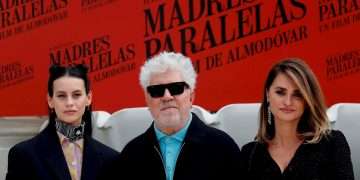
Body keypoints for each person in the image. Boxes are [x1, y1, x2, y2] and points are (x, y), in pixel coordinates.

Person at [106, 51, 241, 180]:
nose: (167, 97)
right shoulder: (131, 155)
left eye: (176, 88)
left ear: (191, 97)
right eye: (157, 90)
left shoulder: (222, 148)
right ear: (147, 100)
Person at [240, 58, 354, 179]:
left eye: (298, 95)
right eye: (280, 92)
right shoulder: (249, 154)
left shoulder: (332, 143)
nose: (288, 102)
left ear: (308, 99)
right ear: (268, 94)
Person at [6, 64, 119, 180]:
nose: (69, 102)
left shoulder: (110, 158)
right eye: (61, 96)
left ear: (88, 98)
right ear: (50, 100)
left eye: (76, 95)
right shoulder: (24, 154)